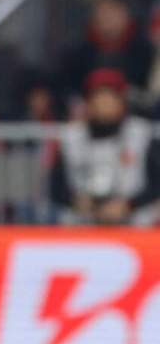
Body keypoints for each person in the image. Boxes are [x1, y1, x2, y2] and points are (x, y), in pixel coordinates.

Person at [50, 68, 160, 226]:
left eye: (110, 98)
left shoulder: (141, 134)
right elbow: (55, 187)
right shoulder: (71, 137)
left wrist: (129, 205)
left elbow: (156, 184)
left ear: (122, 102)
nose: (104, 105)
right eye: (98, 98)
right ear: (88, 103)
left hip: (134, 224)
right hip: (82, 223)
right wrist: (75, 201)